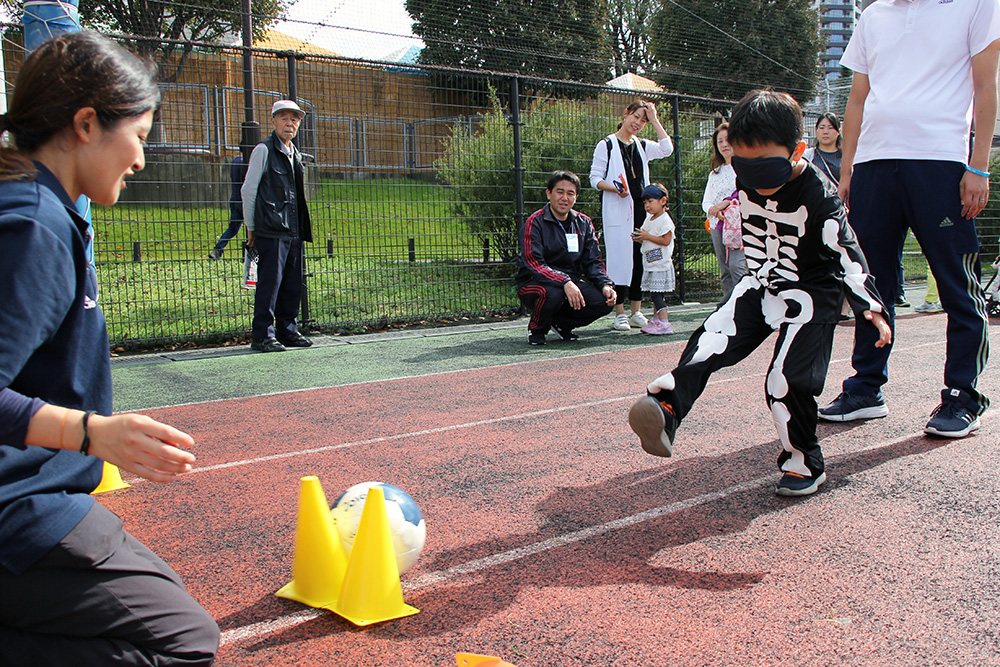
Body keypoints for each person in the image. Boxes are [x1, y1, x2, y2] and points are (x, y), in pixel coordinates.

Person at [0, 32, 218, 665]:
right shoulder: (32, 224)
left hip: (41, 493)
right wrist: (92, 434)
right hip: (18, 507)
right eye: (141, 136)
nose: (142, 159)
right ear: (87, 123)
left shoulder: (37, 206)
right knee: (184, 645)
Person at [628, 90, 891, 497]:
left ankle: (804, 462)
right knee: (708, 341)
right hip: (761, 282)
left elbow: (846, 250)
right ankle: (666, 410)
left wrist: (869, 305)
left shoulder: (819, 196)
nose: (756, 182)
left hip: (810, 294)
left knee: (784, 381)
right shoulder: (744, 178)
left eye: (766, 170)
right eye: (744, 167)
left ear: (797, 151)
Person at [819, 0, 1000, 438]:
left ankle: (962, 396)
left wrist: (978, 167)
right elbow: (858, 98)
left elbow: (985, 84)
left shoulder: (977, 3)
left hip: (940, 164)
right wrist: (847, 170)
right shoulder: (874, 14)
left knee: (958, 286)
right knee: (870, 285)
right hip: (874, 167)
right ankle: (865, 389)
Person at [589, 100, 673, 331]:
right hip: (618, 211)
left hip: (641, 210)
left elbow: (667, 149)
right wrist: (614, 188)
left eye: (643, 121)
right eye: (636, 117)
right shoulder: (606, 144)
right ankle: (620, 312)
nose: (638, 123)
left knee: (640, 258)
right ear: (626, 114)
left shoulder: (642, 145)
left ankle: (637, 311)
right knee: (618, 260)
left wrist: (655, 119)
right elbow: (594, 178)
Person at [242, 99, 314, 353]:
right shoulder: (263, 149)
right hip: (271, 229)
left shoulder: (296, 153)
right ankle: (262, 335)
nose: (289, 122)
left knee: (292, 283)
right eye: (284, 117)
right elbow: (248, 190)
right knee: (269, 284)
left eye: (294, 119)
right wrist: (251, 227)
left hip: (293, 230)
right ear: (273, 120)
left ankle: (288, 329)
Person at [516, 171, 617, 346]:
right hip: (534, 284)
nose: (565, 198)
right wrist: (565, 282)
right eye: (559, 192)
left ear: (576, 197)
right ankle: (537, 328)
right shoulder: (535, 222)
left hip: (569, 283)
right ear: (549, 193)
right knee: (551, 293)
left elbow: (592, 261)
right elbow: (534, 264)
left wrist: (605, 284)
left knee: (604, 301)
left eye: (570, 193)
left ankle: (561, 324)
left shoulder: (583, 223)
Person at [702, 122, 746, 302]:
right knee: (725, 269)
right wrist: (714, 210)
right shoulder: (715, 173)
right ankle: (729, 306)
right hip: (717, 225)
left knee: (737, 266)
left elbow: (745, 193)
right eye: (720, 141)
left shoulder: (744, 167)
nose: (724, 144)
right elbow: (706, 201)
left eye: (728, 140)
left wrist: (725, 205)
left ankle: (744, 302)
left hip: (738, 227)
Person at [632, 183, 676, 335]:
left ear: (663, 201)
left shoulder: (665, 220)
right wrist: (640, 238)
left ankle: (665, 323)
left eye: (651, 201)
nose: (647, 205)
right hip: (651, 262)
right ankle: (657, 319)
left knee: (656, 295)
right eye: (645, 202)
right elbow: (648, 238)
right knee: (655, 293)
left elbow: (665, 241)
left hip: (660, 264)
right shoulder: (649, 219)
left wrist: (647, 236)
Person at [207, 154, 247, 259]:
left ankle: (217, 249)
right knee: (254, 228)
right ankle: (252, 253)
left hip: (234, 198)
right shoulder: (246, 163)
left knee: (232, 229)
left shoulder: (235, 161)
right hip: (245, 200)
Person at [803, 112, 842, 185]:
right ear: (816, 130)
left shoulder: (847, 158)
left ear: (839, 131)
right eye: (821, 128)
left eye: (830, 128)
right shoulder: (807, 155)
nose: (825, 132)